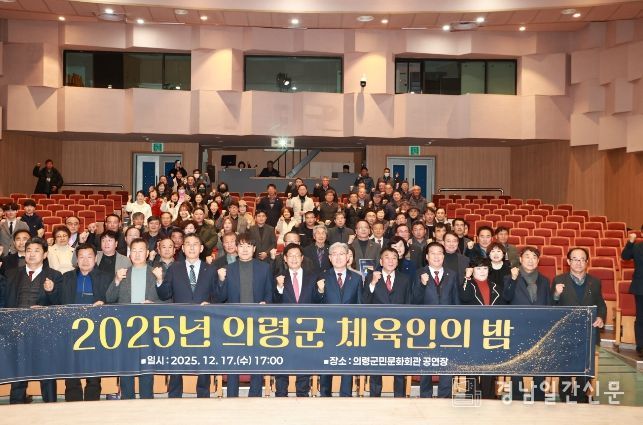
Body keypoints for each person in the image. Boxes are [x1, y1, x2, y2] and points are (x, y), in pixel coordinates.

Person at [156, 233, 219, 398]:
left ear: (201, 248)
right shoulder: (174, 268)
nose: (191, 247)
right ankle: (175, 394)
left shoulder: (210, 269)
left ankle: (203, 394)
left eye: (195, 244)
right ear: (182, 248)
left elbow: (217, 296)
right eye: (188, 244)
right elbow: (165, 294)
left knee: (203, 360)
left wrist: (211, 304)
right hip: (179, 322)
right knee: (177, 359)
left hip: (203, 321)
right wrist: (159, 281)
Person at [4, 238, 61, 403]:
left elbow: (60, 304)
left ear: (45, 254)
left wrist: (51, 291)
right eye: (29, 250)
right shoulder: (12, 274)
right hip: (17, 329)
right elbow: (4, 300)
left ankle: (50, 405)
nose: (32, 254)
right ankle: (16, 404)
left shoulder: (55, 276)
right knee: (18, 372)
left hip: (43, 331)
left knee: (47, 372)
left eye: (37, 250)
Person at [216, 233, 273, 397]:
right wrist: (221, 280)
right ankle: (232, 394)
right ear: (236, 248)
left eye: (248, 246)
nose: (245, 249)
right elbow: (220, 298)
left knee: (257, 359)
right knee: (234, 359)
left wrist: (266, 303)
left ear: (254, 249)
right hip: (234, 321)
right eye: (241, 246)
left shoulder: (264, 268)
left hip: (257, 320)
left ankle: (255, 393)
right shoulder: (228, 269)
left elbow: (269, 293)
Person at [105, 238, 163, 399]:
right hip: (126, 327)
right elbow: (109, 298)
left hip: (148, 327)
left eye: (141, 250)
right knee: (126, 367)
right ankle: (127, 399)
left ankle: (147, 400)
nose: (137, 254)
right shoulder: (123, 272)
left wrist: (154, 303)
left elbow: (168, 300)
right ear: (129, 254)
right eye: (134, 251)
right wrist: (117, 280)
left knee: (147, 368)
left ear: (147, 253)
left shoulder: (155, 273)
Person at [552, 247, 606, 403]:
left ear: (587, 262)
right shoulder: (558, 280)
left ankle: (581, 399)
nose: (578, 262)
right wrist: (556, 294)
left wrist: (601, 317)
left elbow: (601, 304)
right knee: (566, 369)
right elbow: (551, 306)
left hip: (588, 332)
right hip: (566, 332)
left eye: (582, 259)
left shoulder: (595, 282)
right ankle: (565, 399)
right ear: (568, 262)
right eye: (575, 259)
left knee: (586, 370)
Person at [58, 243, 111, 401]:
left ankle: (92, 400)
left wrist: (104, 303)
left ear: (95, 258)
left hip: (96, 328)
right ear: (76, 259)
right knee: (71, 366)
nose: (85, 260)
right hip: (71, 327)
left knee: (93, 367)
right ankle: (73, 400)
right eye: (81, 257)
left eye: (89, 256)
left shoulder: (106, 277)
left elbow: (113, 299)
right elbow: (58, 301)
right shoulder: (67, 277)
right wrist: (51, 291)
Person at [503, 246, 551, 402]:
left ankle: (539, 397)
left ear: (538, 261)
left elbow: (548, 305)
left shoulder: (545, 281)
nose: (531, 260)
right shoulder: (510, 277)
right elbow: (506, 297)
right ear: (520, 259)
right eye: (527, 256)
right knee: (517, 365)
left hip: (539, 329)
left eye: (534, 257)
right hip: (517, 328)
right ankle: (516, 397)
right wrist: (513, 279)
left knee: (539, 365)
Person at [313, 242, 361, 397]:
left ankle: (346, 395)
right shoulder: (322, 277)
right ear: (329, 258)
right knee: (327, 362)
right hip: (328, 329)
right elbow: (314, 304)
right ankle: (325, 395)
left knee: (347, 364)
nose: (338, 257)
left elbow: (360, 305)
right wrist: (320, 291)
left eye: (342, 254)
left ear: (348, 257)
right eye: (334, 254)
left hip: (349, 329)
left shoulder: (357, 278)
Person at [412, 242, 459, 398]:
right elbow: (414, 300)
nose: (436, 256)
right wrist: (422, 285)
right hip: (425, 325)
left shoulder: (452, 274)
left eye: (440, 253)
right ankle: (425, 394)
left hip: (448, 325)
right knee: (426, 360)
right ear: (427, 256)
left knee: (447, 360)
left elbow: (456, 301)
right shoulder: (419, 273)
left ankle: (445, 394)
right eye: (433, 253)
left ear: (444, 256)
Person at [362, 248, 411, 397]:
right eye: (387, 257)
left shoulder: (405, 279)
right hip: (376, 329)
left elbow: (409, 303)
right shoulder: (371, 277)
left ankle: (400, 396)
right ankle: (375, 396)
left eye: (394, 257)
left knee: (399, 364)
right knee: (377, 363)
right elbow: (364, 302)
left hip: (399, 329)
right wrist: (372, 283)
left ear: (398, 261)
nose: (391, 260)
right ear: (381, 261)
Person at [273, 243, 317, 397]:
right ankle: (281, 392)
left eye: (297, 255)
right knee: (282, 359)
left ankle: (303, 392)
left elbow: (317, 301)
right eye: (290, 255)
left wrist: (321, 291)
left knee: (304, 359)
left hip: (306, 325)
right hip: (284, 326)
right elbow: (273, 302)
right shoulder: (278, 277)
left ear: (302, 258)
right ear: (285, 258)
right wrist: (279, 288)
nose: (294, 258)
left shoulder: (313, 277)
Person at [458, 257, 505, 399]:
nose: (482, 271)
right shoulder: (468, 283)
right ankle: (472, 394)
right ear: (472, 270)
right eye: (478, 268)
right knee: (472, 364)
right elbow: (464, 297)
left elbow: (503, 307)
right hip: (472, 330)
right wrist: (467, 278)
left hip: (492, 330)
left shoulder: (496, 286)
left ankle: (488, 395)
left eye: (485, 268)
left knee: (489, 365)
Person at [622, 232, 643, 357]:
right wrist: (630, 242)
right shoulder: (637, 246)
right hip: (640, 287)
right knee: (641, 317)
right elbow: (625, 256)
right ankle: (641, 346)